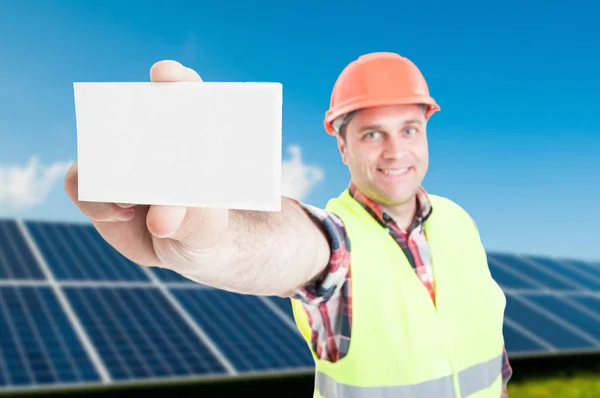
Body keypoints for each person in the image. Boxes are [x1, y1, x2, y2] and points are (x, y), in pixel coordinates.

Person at [64, 52, 511, 398]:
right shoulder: (338, 239)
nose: (396, 152)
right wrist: (214, 241)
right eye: (373, 134)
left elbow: (490, 353)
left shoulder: (457, 223)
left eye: (409, 130)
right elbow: (300, 245)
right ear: (342, 146)